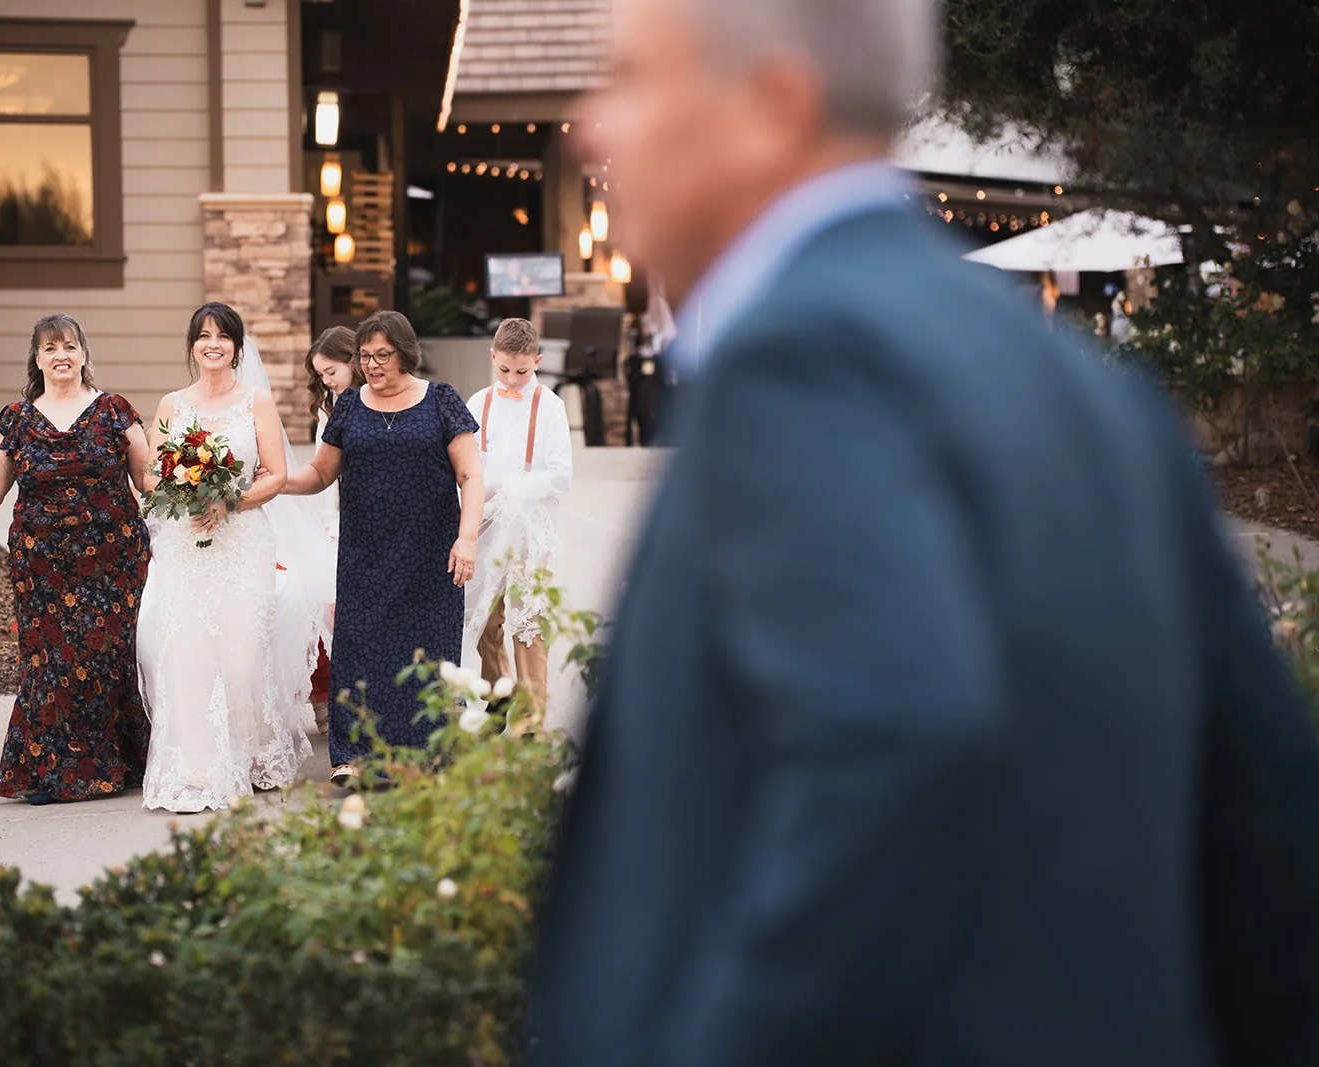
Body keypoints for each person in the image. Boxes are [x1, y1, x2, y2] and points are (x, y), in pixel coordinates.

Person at [533, 0, 1319, 1065]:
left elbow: (892, 732)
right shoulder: (1091, 393)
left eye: (629, 79)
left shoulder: (799, 361)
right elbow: (1265, 816)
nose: (590, 128)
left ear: (769, 107)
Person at [0, 314, 152, 805]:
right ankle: (53, 773)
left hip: (114, 559)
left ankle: (117, 764)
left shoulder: (114, 411)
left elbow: (151, 482)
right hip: (42, 565)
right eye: (50, 348)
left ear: (83, 354)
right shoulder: (17, 418)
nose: (61, 356)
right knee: (50, 662)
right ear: (36, 359)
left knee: (107, 657)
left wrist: (206, 491)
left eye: (69, 346)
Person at [135, 302, 330, 812]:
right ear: (192, 346)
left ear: (237, 348)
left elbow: (276, 474)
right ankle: (196, 764)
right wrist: (187, 497)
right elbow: (153, 477)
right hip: (186, 544)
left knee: (243, 650)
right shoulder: (171, 405)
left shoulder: (256, 402)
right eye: (203, 336)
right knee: (189, 646)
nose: (213, 344)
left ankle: (252, 755)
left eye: (223, 336)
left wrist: (229, 501)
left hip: (243, 541)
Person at [285, 310, 483, 786]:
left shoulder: (441, 401)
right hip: (365, 556)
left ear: (405, 352)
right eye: (366, 356)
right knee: (360, 649)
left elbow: (470, 475)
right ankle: (354, 757)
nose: (372, 365)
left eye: (382, 355)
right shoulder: (349, 406)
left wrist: (468, 537)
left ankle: (426, 755)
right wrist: (274, 483)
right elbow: (320, 473)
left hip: (430, 553)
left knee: (427, 653)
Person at [463, 318, 573, 724]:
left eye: (522, 371)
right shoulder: (477, 403)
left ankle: (531, 718)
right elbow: (466, 461)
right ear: (492, 356)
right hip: (487, 519)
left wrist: (510, 486)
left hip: (529, 525)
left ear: (538, 362)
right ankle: (498, 692)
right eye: (504, 369)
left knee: (528, 618)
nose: (512, 378)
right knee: (483, 616)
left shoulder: (551, 406)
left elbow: (561, 474)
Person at [301, 326, 364, 735]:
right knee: (323, 605)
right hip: (334, 511)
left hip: (361, 513)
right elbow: (324, 470)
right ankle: (326, 696)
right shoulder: (332, 405)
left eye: (331, 371)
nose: (327, 381)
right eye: (321, 375)